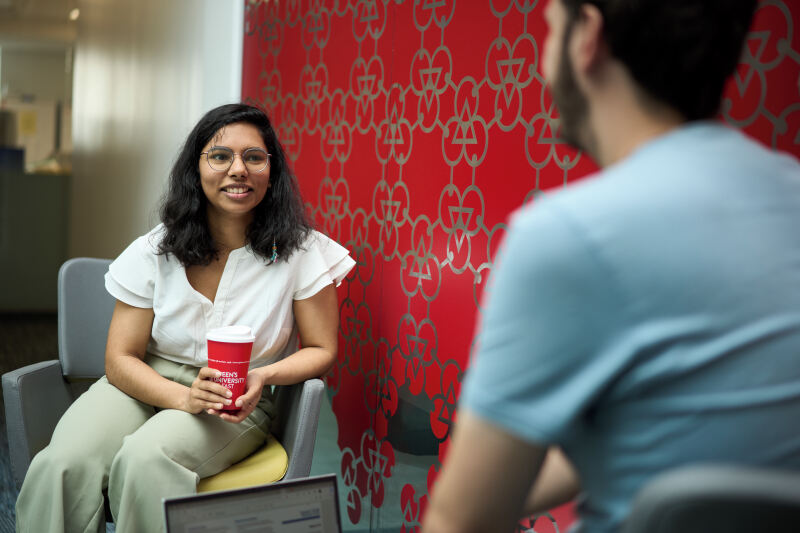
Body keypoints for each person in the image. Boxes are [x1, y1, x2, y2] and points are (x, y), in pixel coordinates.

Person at [423, 1, 800, 532]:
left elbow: (460, 523)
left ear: (588, 37)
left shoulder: (567, 234)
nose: (541, 64)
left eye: (550, 32)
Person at [15, 103, 355, 533]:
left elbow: (323, 349)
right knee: (60, 465)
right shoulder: (155, 248)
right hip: (144, 382)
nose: (238, 169)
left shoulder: (303, 251)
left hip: (233, 396)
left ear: (272, 170)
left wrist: (263, 378)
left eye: (254, 157)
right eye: (220, 156)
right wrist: (179, 397)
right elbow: (120, 359)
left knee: (145, 459)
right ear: (196, 168)